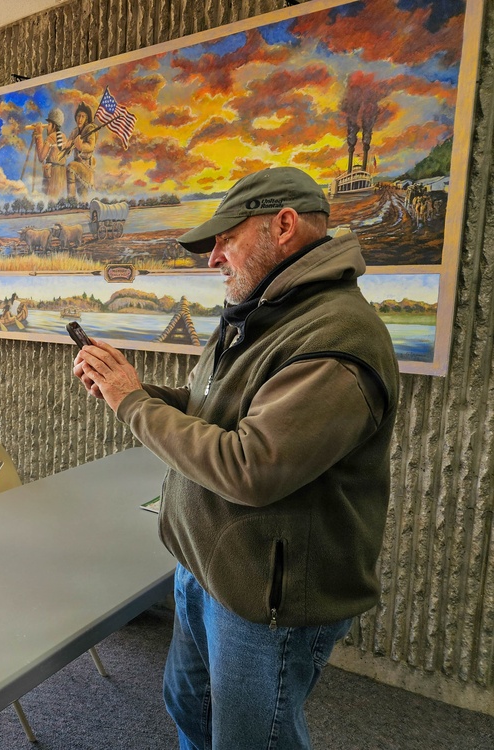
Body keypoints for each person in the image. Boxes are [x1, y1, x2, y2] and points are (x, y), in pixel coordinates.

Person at [73, 166, 399, 749]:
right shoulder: (264, 312)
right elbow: (212, 411)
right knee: (188, 706)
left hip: (265, 599)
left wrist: (131, 404)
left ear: (284, 225)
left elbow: (251, 466)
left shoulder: (337, 337)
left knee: (249, 740)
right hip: (206, 567)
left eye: (227, 239)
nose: (213, 257)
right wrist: (131, 388)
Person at [32, 107, 67, 200]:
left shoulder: (50, 138)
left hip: (52, 175)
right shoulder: (64, 136)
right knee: (59, 198)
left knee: (50, 199)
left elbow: (41, 157)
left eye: (49, 124)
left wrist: (39, 135)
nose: (47, 127)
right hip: (62, 174)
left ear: (54, 125)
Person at [66, 102, 97, 200]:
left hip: (86, 165)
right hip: (78, 164)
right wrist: (67, 146)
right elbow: (68, 146)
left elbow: (91, 146)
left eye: (83, 116)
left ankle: (71, 199)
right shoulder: (75, 131)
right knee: (82, 192)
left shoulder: (90, 129)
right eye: (78, 116)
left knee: (70, 167)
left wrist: (81, 147)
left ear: (86, 118)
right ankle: (76, 204)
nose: (80, 119)